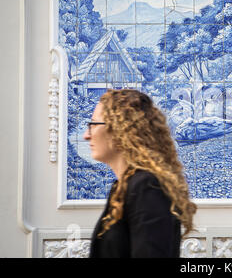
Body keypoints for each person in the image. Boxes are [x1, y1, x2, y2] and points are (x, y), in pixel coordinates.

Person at [84, 89, 197, 258]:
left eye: (93, 124)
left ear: (120, 129)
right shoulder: (123, 187)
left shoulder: (147, 187)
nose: (87, 135)